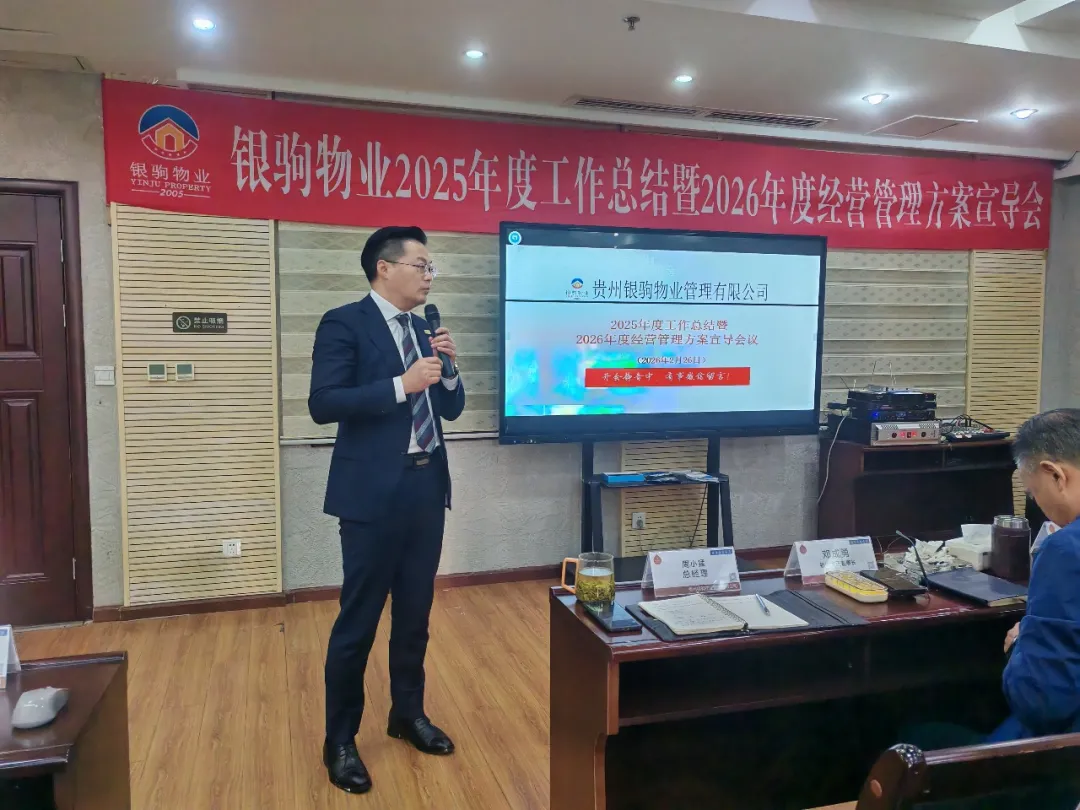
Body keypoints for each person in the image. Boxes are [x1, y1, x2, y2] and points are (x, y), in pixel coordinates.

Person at [308, 225, 465, 795]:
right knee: (359, 620)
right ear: (385, 268)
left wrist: (449, 368)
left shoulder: (424, 330)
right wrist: (401, 384)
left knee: (416, 614)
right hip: (372, 494)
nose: (429, 276)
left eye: (430, 268)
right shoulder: (344, 323)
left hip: (426, 488)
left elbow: (451, 408)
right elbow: (323, 403)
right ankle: (340, 740)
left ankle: (407, 713)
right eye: (421, 265)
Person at [991, 407, 1080, 743]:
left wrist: (1020, 643)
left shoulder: (1066, 551)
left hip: (1061, 757)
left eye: (1033, 493)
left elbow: (1042, 703)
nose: (1037, 503)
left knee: (916, 734)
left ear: (1055, 475)